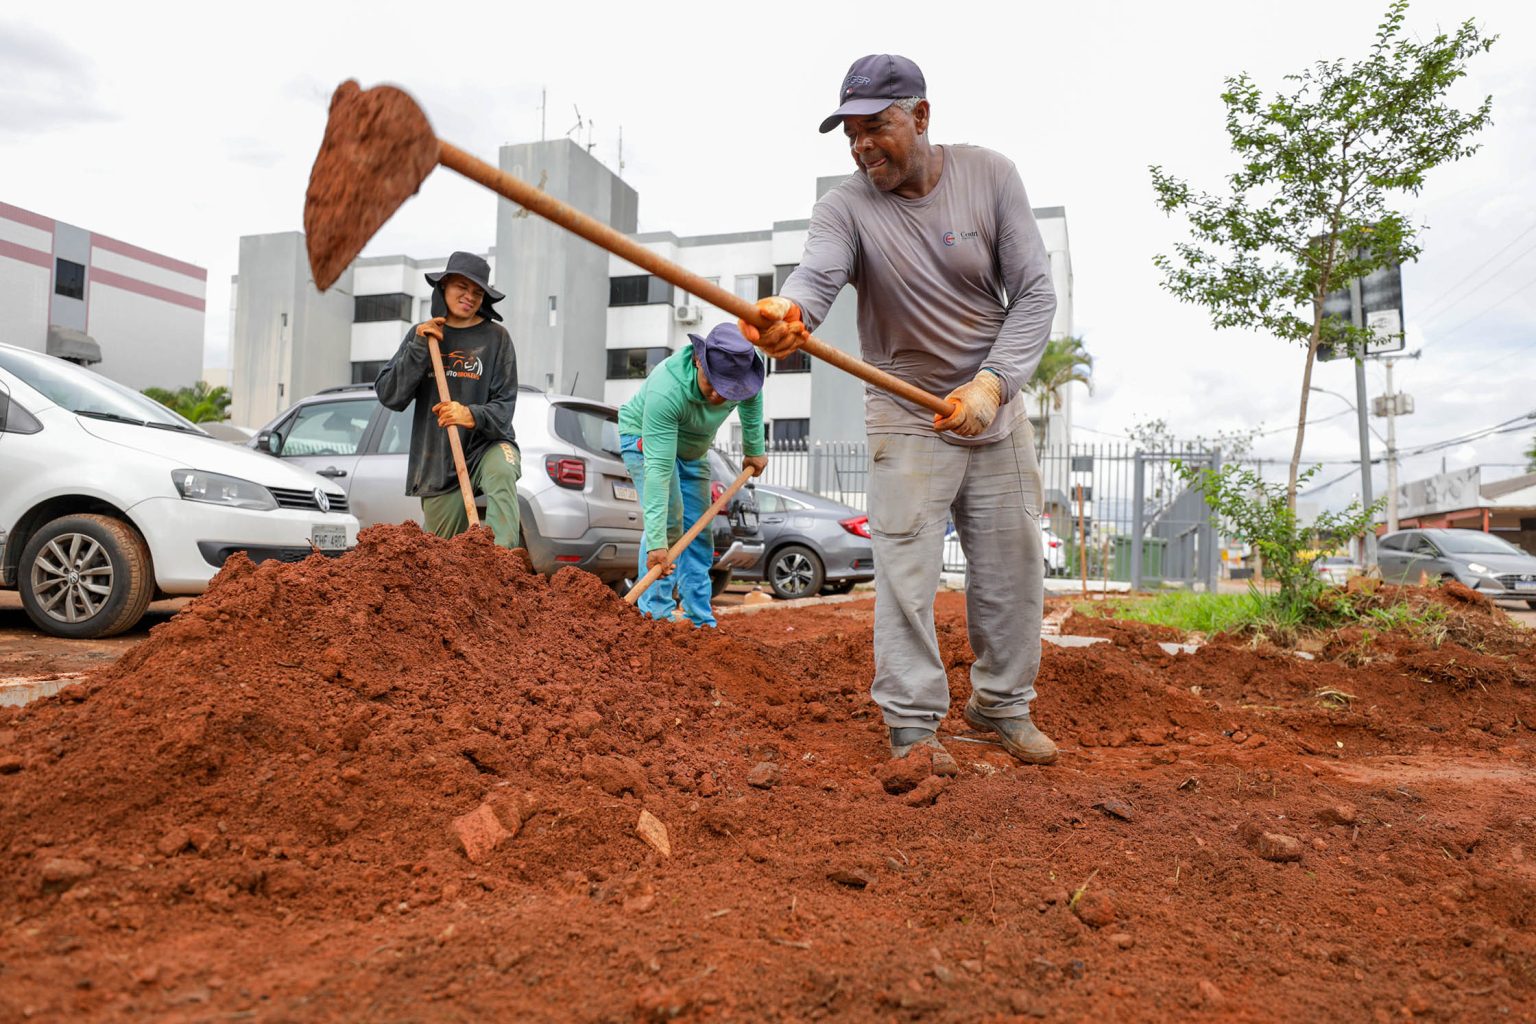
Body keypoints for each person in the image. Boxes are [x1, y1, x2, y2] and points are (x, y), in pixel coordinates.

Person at [741, 54, 1059, 769]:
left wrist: (992, 385)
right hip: (907, 413)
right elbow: (816, 273)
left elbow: (1036, 293)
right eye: (849, 133)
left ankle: (1001, 706)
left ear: (920, 116)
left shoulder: (991, 178)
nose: (861, 146)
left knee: (1012, 571)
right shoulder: (846, 208)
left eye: (875, 127)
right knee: (907, 576)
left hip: (991, 411)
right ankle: (914, 727)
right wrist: (787, 313)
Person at [618, 323, 768, 628]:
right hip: (644, 439)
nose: (716, 395)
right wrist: (659, 543)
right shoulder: (667, 387)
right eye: (712, 383)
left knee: (700, 532)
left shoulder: (743, 382)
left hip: (693, 451)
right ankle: (654, 616)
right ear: (699, 360)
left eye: (726, 391)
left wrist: (754, 448)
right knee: (670, 524)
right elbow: (659, 471)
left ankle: (698, 617)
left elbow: (751, 405)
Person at [376, 251, 522, 547]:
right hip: (438, 461)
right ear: (443, 288)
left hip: (488, 444)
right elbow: (389, 395)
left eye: (478, 292)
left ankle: (503, 563)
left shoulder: (497, 339)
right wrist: (418, 347)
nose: (470, 297)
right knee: (442, 559)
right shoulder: (424, 336)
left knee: (502, 469)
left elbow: (504, 406)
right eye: (462, 288)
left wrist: (470, 414)